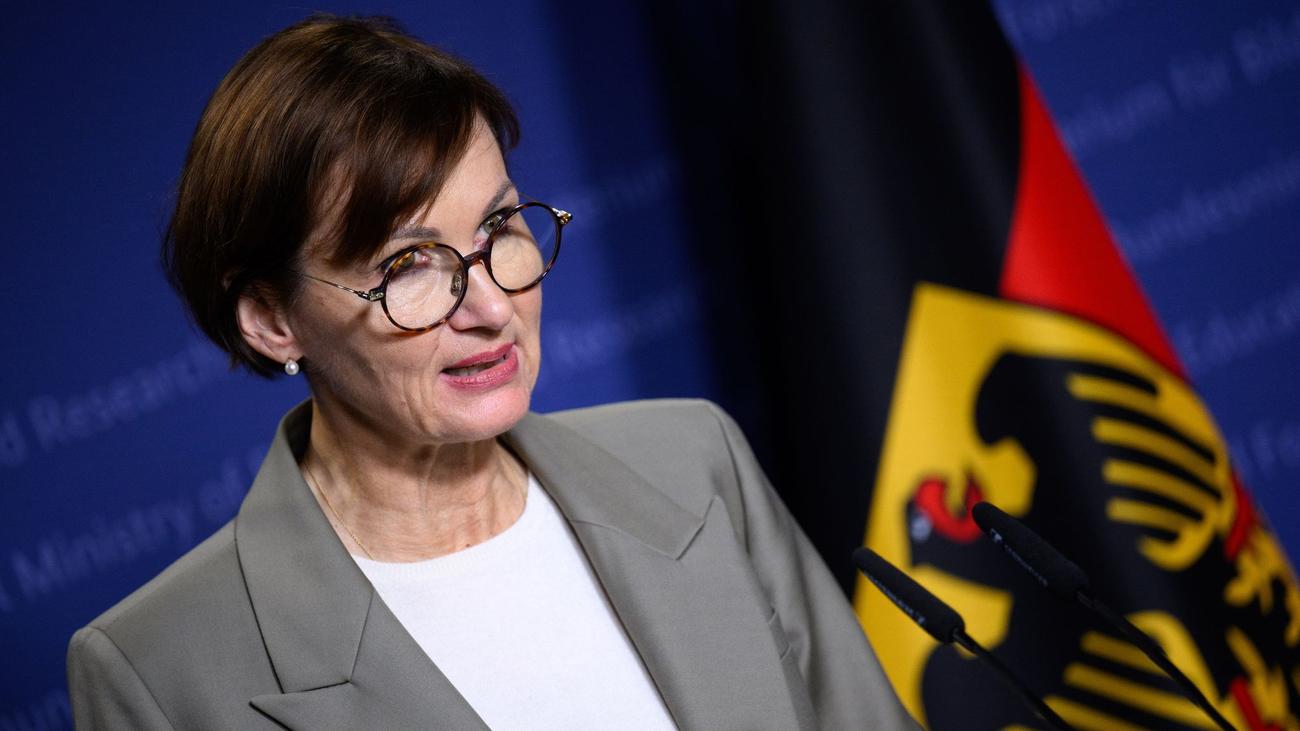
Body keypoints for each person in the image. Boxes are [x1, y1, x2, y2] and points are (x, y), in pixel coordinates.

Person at [66, 15, 914, 730]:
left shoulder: (694, 461)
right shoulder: (156, 669)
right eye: (408, 264)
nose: (491, 304)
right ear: (271, 318)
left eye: (500, 226)